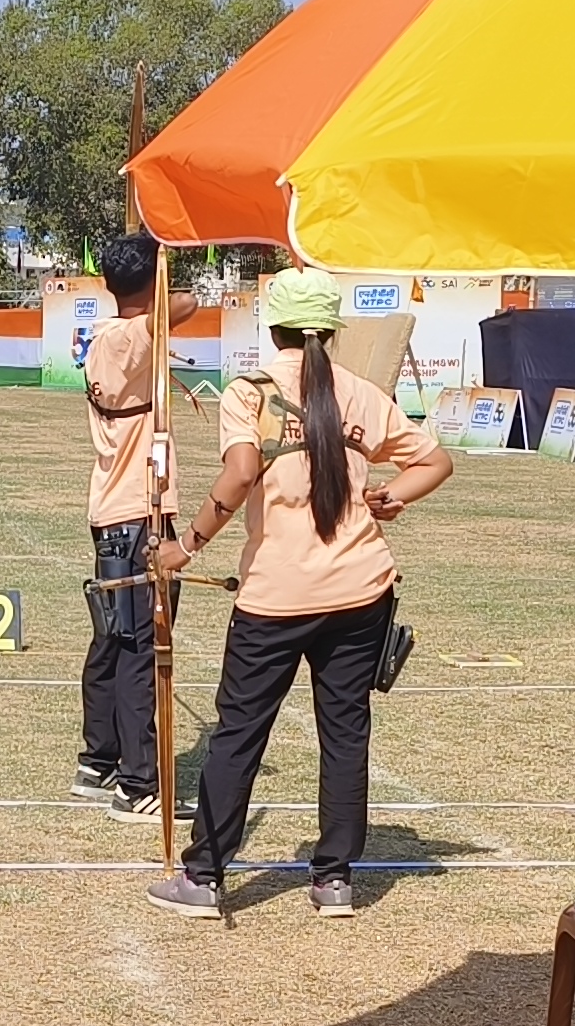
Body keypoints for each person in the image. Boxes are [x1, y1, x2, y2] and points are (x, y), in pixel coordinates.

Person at [147, 267, 453, 922]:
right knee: (345, 731)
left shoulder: (250, 391)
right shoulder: (363, 395)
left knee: (238, 733)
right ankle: (334, 879)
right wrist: (390, 498)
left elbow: (239, 473)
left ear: (274, 326)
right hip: (360, 589)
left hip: (276, 595)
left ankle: (203, 879)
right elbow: (435, 459)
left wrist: (187, 544)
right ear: (332, 332)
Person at [73, 229, 167, 823]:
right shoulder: (128, 336)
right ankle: (137, 781)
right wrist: (161, 277)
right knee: (139, 644)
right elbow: (176, 308)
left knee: (115, 637)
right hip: (136, 511)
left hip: (119, 510)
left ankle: (99, 759)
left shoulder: (117, 338)